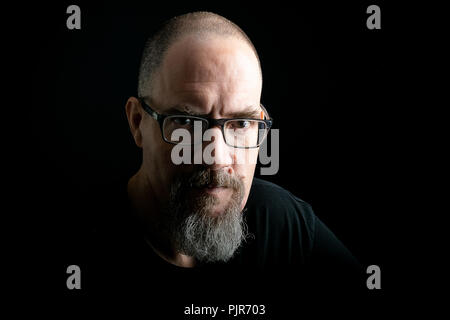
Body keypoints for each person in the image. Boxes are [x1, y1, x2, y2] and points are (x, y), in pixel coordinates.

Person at [87, 11, 363, 302]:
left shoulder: (282, 224)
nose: (217, 157)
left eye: (241, 124)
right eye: (187, 122)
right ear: (136, 122)